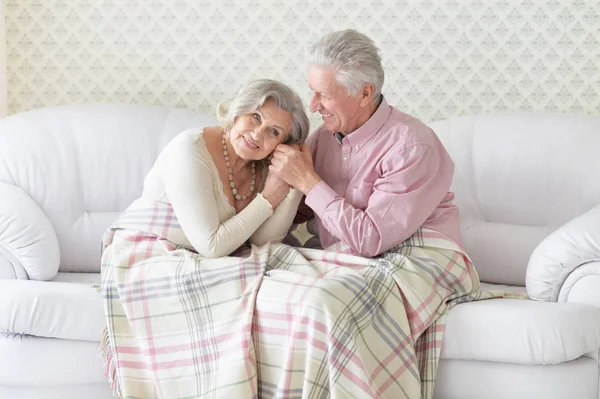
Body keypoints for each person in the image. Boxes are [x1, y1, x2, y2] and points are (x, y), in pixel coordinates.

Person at [272, 29, 464, 257]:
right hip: (348, 259)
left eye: (324, 95)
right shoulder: (322, 138)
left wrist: (308, 181)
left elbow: (370, 239)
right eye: (312, 92)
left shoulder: (412, 147)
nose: (313, 106)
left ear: (364, 94)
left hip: (420, 257)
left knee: (319, 292)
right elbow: (299, 210)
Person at [109, 78, 310, 258]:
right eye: (256, 116)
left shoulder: (264, 164)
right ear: (238, 111)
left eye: (274, 131)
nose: (257, 135)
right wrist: (269, 197)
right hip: (149, 254)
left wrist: (296, 181)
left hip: (205, 261)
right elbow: (212, 246)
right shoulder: (189, 149)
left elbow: (263, 243)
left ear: (282, 143)